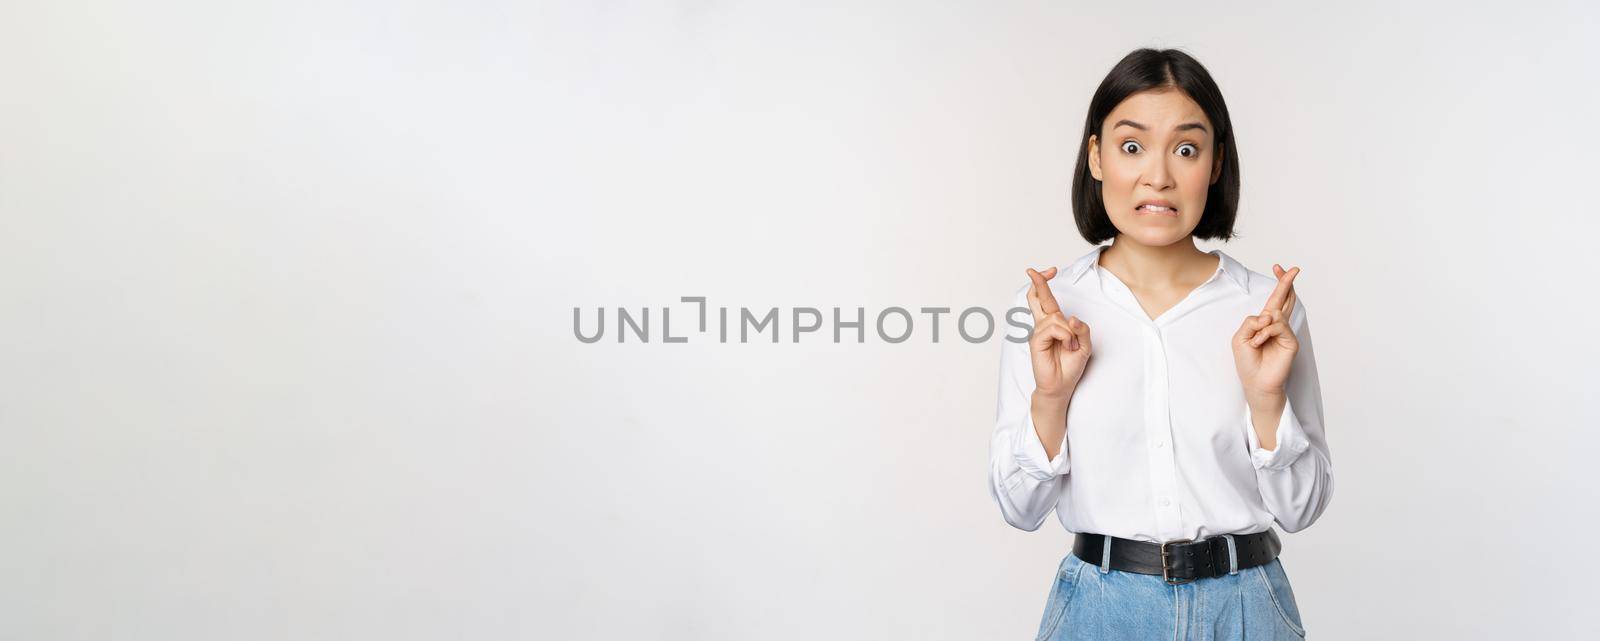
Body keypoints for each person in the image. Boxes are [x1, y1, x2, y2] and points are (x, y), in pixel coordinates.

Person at [986, 48, 1334, 640]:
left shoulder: (1263, 311)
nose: (1158, 176)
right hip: (1100, 611)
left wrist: (1266, 400)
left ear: (1215, 164)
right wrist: (1051, 398)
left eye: (1186, 149)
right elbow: (1020, 510)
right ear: (1095, 157)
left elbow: (1301, 510)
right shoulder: (1051, 310)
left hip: (1246, 608)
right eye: (1131, 146)